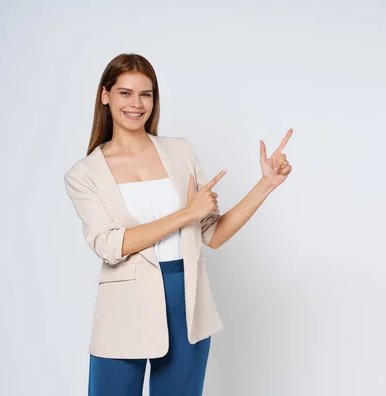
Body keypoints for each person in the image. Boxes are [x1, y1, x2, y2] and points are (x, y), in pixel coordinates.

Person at [63, 53, 293, 396]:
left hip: (187, 301)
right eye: (125, 93)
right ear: (105, 95)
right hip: (123, 309)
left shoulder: (180, 151)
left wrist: (266, 185)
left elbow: (212, 234)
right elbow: (110, 246)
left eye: (146, 94)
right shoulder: (84, 174)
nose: (136, 104)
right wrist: (186, 213)